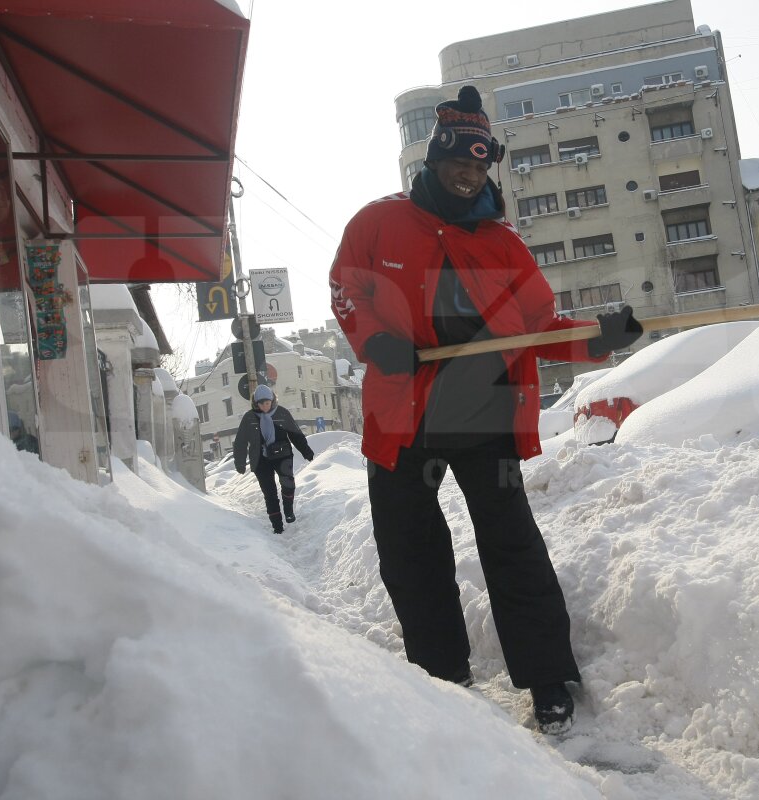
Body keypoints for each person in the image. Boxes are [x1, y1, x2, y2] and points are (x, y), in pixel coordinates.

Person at [328, 85, 642, 733]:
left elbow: (542, 327)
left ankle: (548, 676)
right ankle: (440, 673)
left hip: (485, 412)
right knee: (409, 548)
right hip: (403, 415)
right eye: (456, 163)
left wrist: (600, 337)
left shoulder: (503, 244)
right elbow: (345, 288)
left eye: (478, 167)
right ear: (435, 160)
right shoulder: (378, 224)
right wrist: (376, 341)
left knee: (512, 543)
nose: (467, 176)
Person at [233, 384, 314, 534]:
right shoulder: (249, 418)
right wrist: (240, 462)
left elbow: (295, 434)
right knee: (269, 493)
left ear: (272, 400)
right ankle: (277, 526)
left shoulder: (282, 413)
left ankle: (288, 511)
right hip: (260, 460)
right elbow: (240, 442)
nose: (265, 406)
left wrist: (306, 452)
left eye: (267, 403)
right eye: (261, 404)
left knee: (288, 484)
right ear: (255, 403)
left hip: (282, 455)